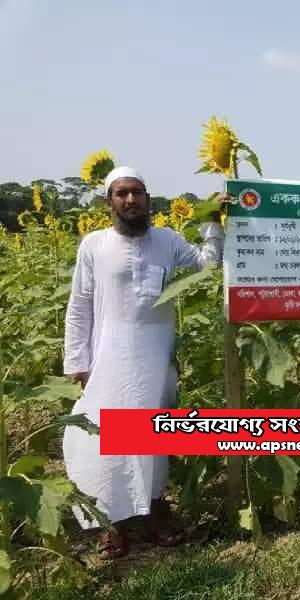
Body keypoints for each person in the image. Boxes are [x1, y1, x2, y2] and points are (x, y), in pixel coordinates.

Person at [62, 166, 224, 559]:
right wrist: (76, 361)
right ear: (109, 202)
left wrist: (211, 220)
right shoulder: (94, 245)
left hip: (155, 356)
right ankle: (113, 524)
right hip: (108, 357)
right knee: (106, 437)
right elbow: (80, 305)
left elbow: (207, 265)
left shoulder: (167, 240)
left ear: (148, 199)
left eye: (137, 192)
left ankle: (154, 514)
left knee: (152, 435)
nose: (130, 200)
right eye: (122, 193)